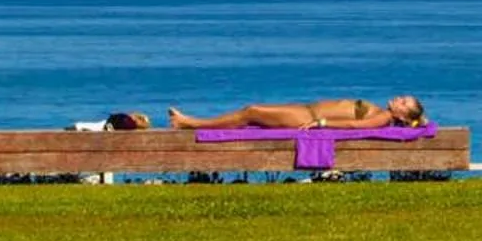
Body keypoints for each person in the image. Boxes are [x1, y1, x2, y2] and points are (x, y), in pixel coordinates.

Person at [168, 95, 426, 130]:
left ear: (402, 116)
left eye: (404, 102)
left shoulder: (384, 117)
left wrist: (321, 123)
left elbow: (355, 126)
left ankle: (191, 123)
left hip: (306, 118)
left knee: (250, 112)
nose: (399, 98)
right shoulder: (383, 112)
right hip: (305, 111)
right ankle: (190, 122)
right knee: (251, 111)